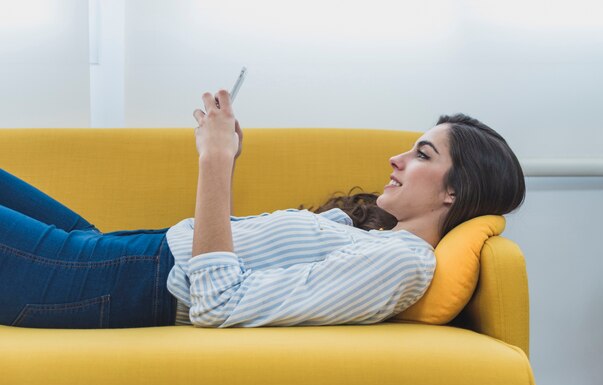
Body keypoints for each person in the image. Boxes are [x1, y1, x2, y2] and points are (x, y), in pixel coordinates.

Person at [0, 90, 525, 329]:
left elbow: (219, 303)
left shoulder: (404, 263)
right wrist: (225, 161)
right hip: (116, 253)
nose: (397, 157)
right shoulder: (376, 239)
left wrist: (214, 160)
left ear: (455, 192)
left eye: (422, 154)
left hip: (109, 282)